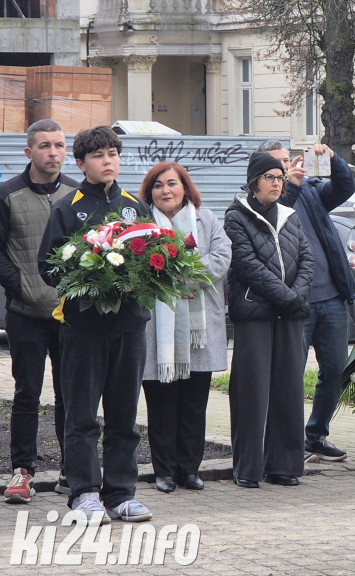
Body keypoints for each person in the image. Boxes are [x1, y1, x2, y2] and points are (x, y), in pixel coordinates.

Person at [38, 126, 153, 523]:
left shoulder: (135, 207)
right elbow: (48, 267)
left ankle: (121, 494)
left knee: (124, 415)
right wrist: (87, 277)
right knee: (83, 415)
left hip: (130, 326)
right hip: (84, 327)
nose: (108, 161)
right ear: (81, 162)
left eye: (113, 154)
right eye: (99, 155)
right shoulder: (67, 208)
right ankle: (85, 493)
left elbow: (156, 260)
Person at [255, 140, 355, 463]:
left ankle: (316, 435)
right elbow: (274, 217)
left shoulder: (310, 189)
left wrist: (332, 158)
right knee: (290, 373)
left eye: (286, 162)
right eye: (276, 165)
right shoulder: (262, 200)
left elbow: (345, 187)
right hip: (295, 303)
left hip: (331, 297)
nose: (284, 169)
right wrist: (293, 187)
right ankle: (286, 440)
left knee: (335, 370)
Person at [138, 162, 231, 493]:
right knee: (162, 402)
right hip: (157, 331)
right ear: (150, 192)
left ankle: (189, 470)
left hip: (198, 329)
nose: (166, 190)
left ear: (185, 187)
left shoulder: (204, 217)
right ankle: (163, 471)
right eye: (159, 185)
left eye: (172, 184)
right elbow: (137, 264)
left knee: (194, 403)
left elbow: (222, 255)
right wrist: (172, 279)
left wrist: (187, 275)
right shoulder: (142, 222)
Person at [224, 151, 314, 488]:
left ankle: (284, 466)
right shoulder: (236, 216)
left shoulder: (289, 215)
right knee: (252, 391)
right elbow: (248, 266)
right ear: (253, 182)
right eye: (270, 178)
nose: (277, 183)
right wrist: (288, 297)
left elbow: (306, 258)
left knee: (288, 389)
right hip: (256, 315)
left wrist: (297, 296)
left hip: (289, 314)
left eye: (280, 177)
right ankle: (248, 468)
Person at [1, 120, 77, 503]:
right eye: (45, 145)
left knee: (71, 394)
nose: (53, 152)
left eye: (60, 145)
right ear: (28, 152)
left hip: (70, 316)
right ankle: (23, 472)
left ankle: (72, 472)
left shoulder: (77, 196)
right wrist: (22, 289)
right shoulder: (7, 195)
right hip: (25, 314)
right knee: (27, 393)